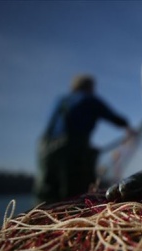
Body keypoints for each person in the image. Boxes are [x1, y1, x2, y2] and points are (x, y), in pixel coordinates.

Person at [34, 74, 135, 204]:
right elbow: (113, 117)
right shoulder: (90, 100)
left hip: (44, 150)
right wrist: (127, 127)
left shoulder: (60, 100)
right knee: (75, 195)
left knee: (46, 195)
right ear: (89, 87)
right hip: (71, 151)